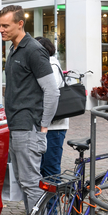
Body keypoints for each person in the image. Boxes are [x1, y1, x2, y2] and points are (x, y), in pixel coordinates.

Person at [0, 6, 59, 215]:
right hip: (16, 125)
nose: (1, 30)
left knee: (32, 186)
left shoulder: (33, 50)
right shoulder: (14, 48)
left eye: (6, 26)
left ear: (20, 24)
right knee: (25, 184)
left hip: (28, 127)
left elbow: (52, 92)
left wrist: (43, 127)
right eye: (0, 26)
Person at [36, 37, 69, 179]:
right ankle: (45, 200)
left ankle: (53, 202)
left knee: (50, 168)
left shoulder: (51, 66)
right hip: (45, 125)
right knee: (42, 167)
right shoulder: (45, 65)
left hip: (54, 126)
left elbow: (50, 91)